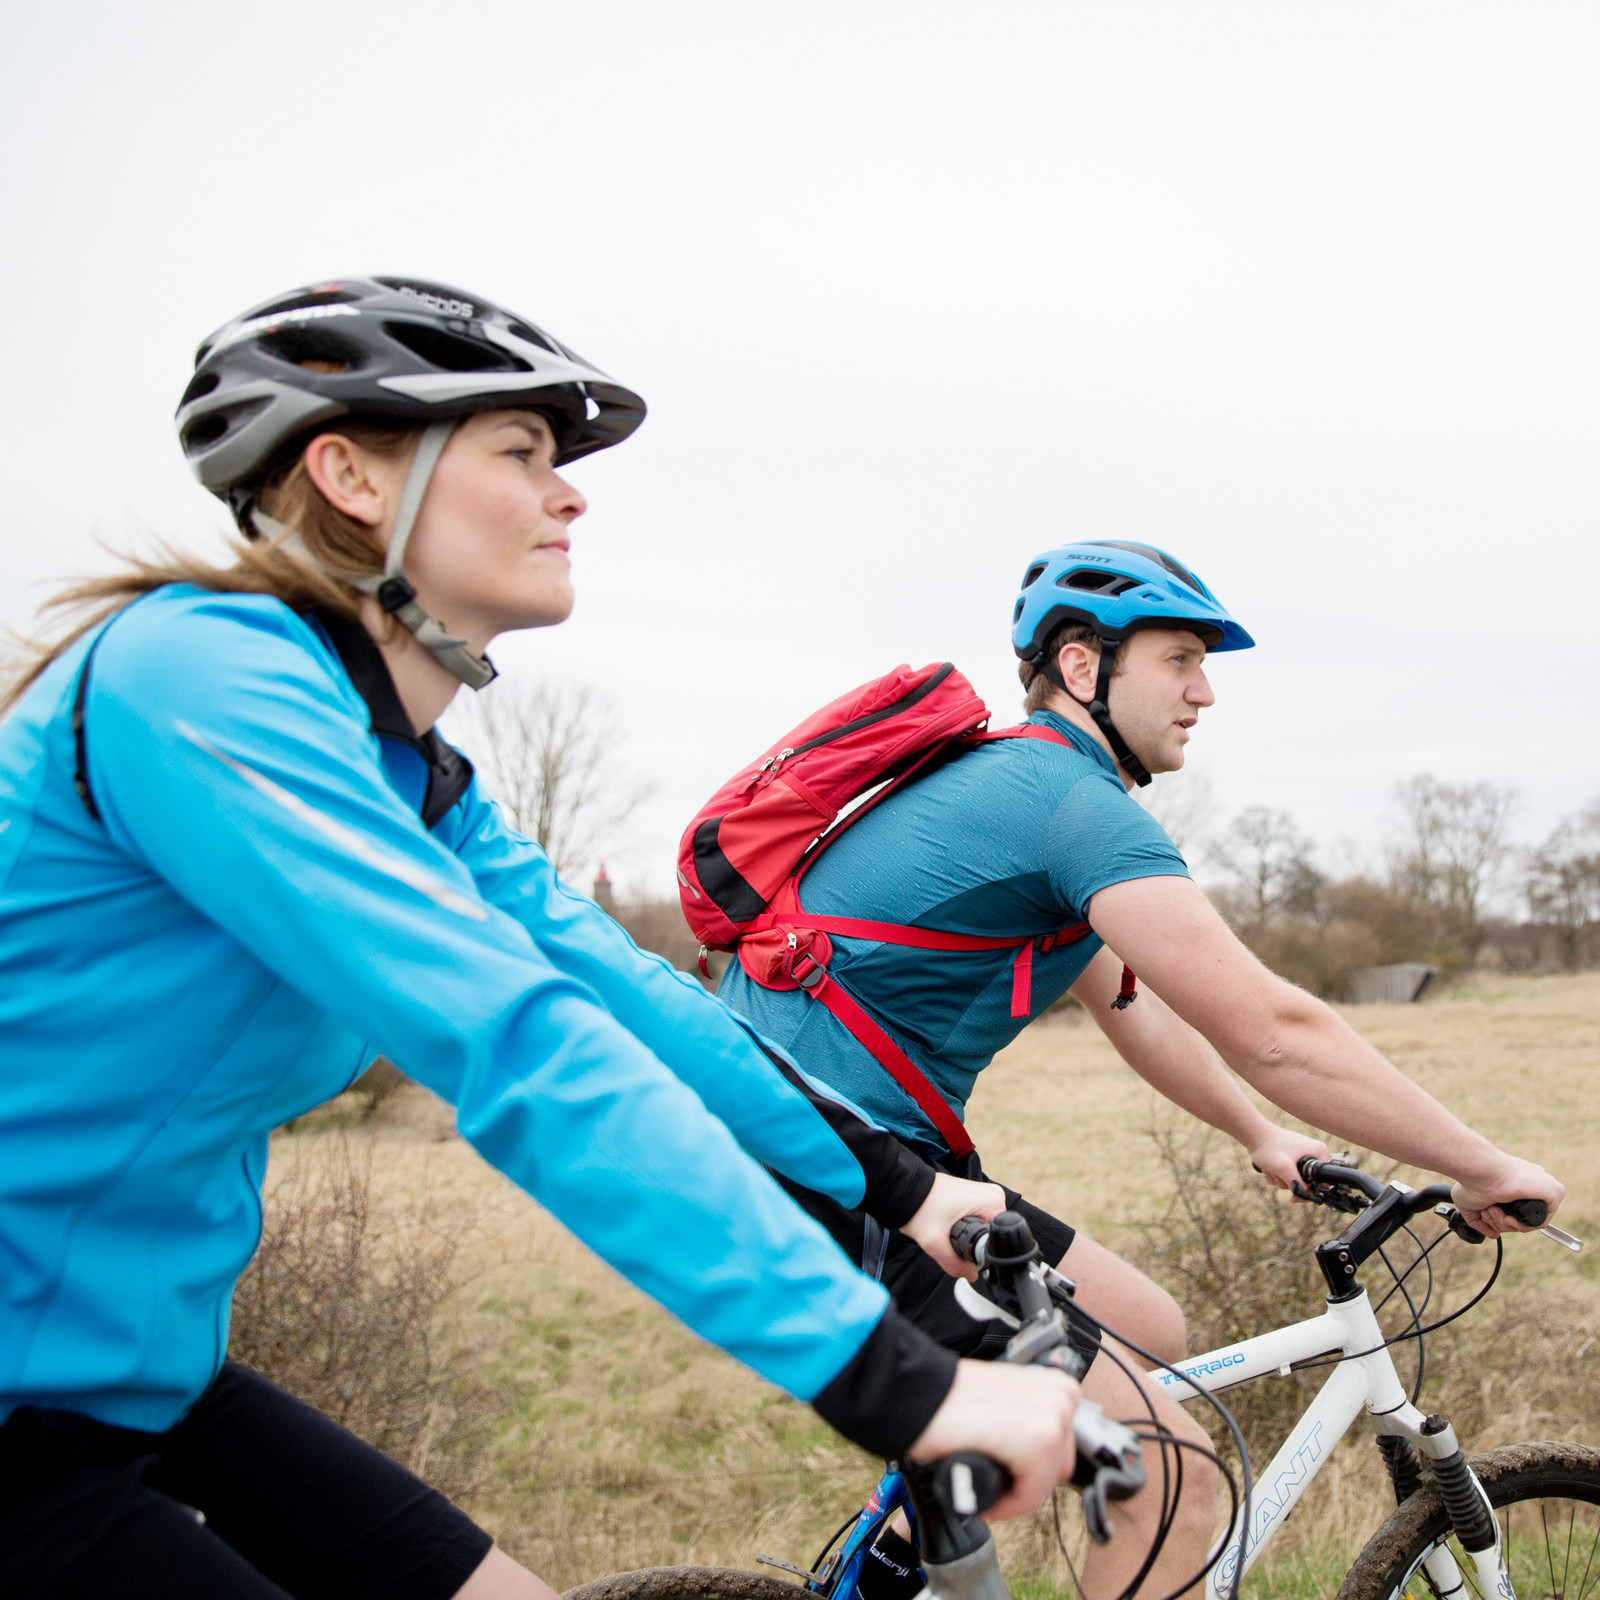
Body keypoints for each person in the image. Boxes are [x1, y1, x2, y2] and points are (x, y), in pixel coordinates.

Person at [0, 277, 1079, 1600]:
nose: (571, 495)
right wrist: (889, 1381)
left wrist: (903, 1194)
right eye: (521, 454)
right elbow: (514, 1046)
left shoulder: (412, 781)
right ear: (347, 474)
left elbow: (627, 1000)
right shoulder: (198, 682)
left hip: (141, 1376)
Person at [716, 538, 1566, 1600]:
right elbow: (1273, 1026)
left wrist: (1259, 1135)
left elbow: (1138, 1008)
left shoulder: (1026, 791)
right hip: (829, 1164)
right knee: (1172, 1475)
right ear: (1082, 668)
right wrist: (1480, 1162)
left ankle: (893, 1567)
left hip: (874, 1155)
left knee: (1151, 1329)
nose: (1204, 691)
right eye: (1179, 659)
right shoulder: (1060, 803)